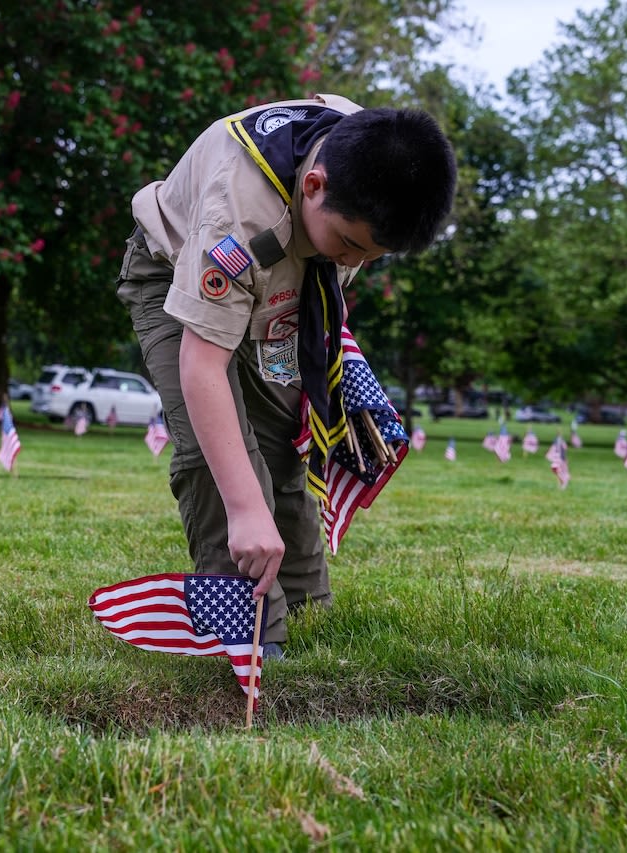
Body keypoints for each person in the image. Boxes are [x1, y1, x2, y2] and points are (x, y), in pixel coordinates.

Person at [116, 94, 456, 657]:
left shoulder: (362, 147)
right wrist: (247, 511)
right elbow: (203, 366)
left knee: (280, 448)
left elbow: (336, 252)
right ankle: (247, 636)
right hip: (175, 276)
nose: (357, 263)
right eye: (351, 244)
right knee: (217, 458)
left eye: (373, 255)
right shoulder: (238, 216)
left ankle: (305, 612)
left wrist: (339, 257)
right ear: (315, 185)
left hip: (291, 284)